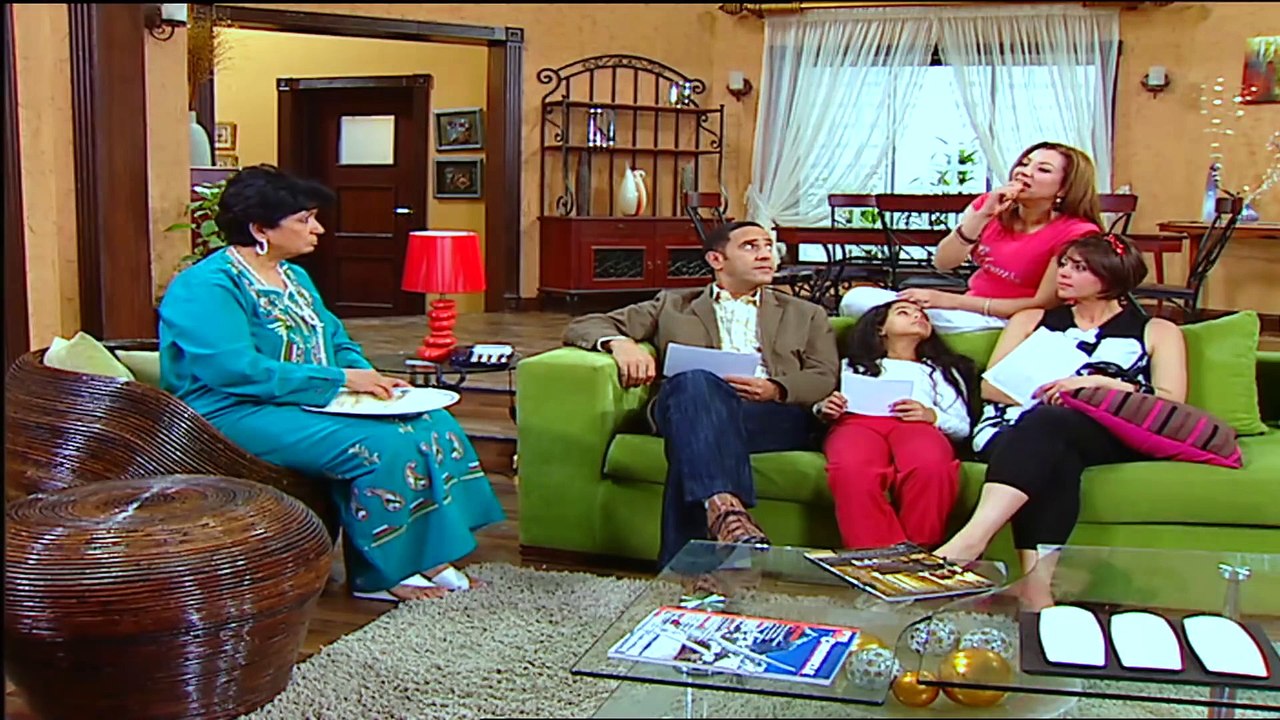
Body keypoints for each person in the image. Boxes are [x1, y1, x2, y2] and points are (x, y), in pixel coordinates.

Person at [158, 164, 505, 603]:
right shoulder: (206, 286)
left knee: (431, 423)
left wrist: (371, 380)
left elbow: (336, 340)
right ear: (260, 228)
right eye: (304, 219)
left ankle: (428, 555)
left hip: (304, 400)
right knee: (383, 445)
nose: (317, 229)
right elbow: (234, 369)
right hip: (230, 411)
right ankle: (383, 573)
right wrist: (340, 379)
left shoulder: (294, 277)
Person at [562, 221, 839, 569]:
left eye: (768, 246)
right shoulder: (673, 304)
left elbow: (824, 375)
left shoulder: (806, 313)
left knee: (693, 441)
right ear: (716, 260)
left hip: (769, 414)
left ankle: (696, 556)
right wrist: (620, 343)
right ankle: (727, 516)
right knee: (696, 385)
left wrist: (776, 388)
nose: (765, 254)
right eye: (750, 246)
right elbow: (584, 324)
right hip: (688, 403)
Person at [934, 233, 1187, 608]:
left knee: (1053, 422)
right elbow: (991, 388)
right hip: (1016, 428)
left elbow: (1170, 403)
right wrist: (1055, 389)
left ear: (1111, 277)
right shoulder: (1031, 319)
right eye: (1064, 264)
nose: (1063, 273)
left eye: (1079, 267)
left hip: (1107, 431)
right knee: (1056, 449)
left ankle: (971, 540)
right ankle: (1037, 589)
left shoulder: (1157, 331)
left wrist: (1098, 385)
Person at [839, 142, 1104, 334]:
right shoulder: (990, 206)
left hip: (1011, 320)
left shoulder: (1076, 232)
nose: (1024, 172)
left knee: (887, 315)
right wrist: (983, 215)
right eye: (1024, 164)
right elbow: (943, 262)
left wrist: (949, 300)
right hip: (967, 310)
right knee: (857, 298)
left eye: (1042, 170)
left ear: (1064, 188)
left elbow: (1043, 303)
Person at [815, 300, 976, 550]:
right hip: (857, 422)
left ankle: (918, 551)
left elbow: (962, 426)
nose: (917, 316)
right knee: (852, 469)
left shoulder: (940, 371)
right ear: (880, 328)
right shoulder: (850, 365)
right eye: (903, 312)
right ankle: (874, 553)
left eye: (922, 314)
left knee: (930, 466)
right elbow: (818, 403)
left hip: (916, 425)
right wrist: (825, 408)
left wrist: (931, 416)